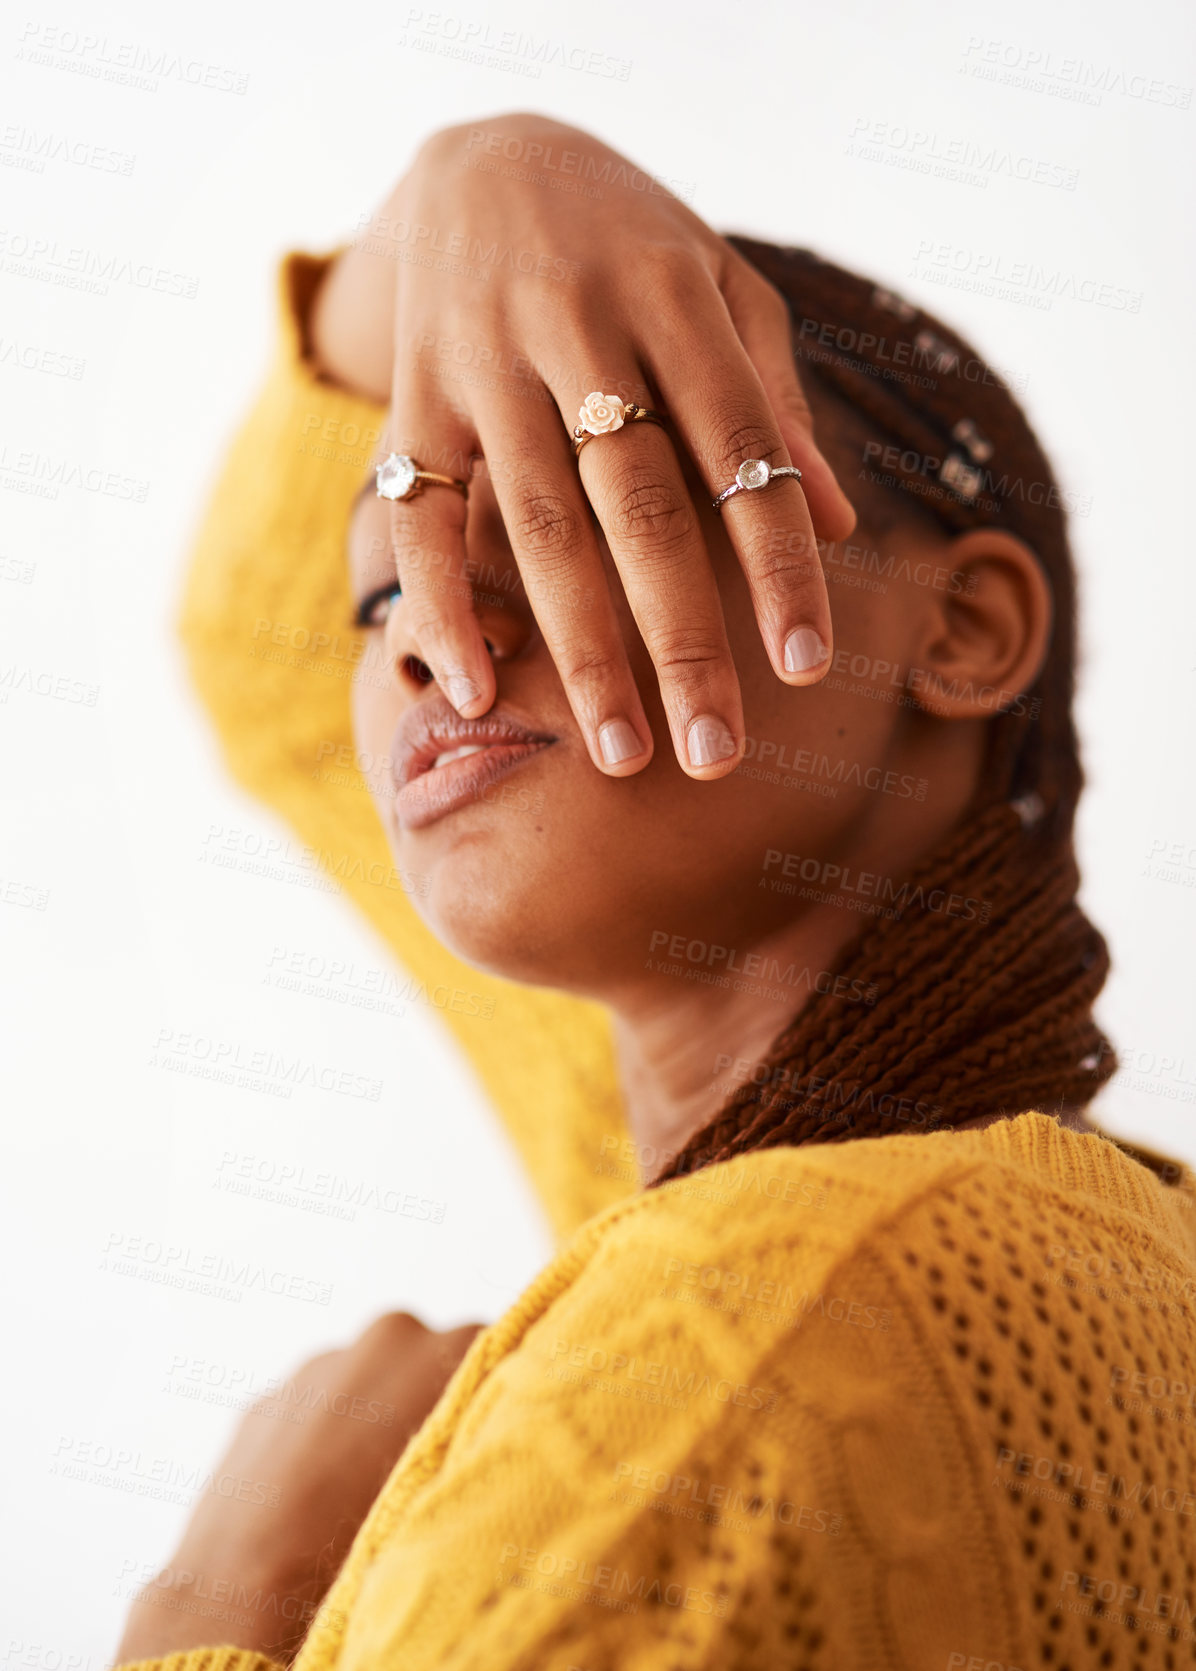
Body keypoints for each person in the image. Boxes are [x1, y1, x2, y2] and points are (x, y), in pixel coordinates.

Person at [115, 116, 1196, 1670]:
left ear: (959, 632)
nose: (433, 631)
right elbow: (260, 657)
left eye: (596, 497)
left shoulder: (750, 1324)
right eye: (383, 585)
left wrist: (218, 1599)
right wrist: (469, 191)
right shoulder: (992, 1210)